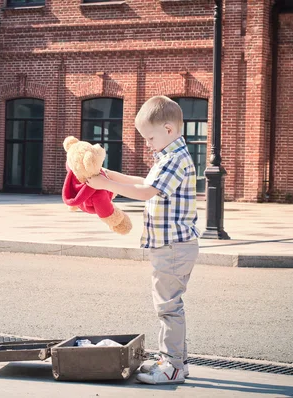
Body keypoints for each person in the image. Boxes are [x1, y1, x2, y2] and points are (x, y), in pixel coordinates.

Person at [86, 95, 201, 385]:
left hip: (172, 247)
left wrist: (107, 185)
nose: (146, 144)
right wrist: (108, 175)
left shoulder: (176, 159)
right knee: (170, 305)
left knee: (168, 307)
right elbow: (143, 182)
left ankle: (172, 366)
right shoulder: (168, 156)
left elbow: (147, 193)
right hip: (170, 246)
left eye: (149, 138)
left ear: (169, 130)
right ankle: (177, 362)